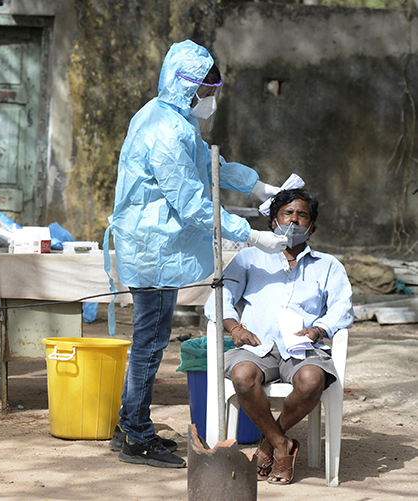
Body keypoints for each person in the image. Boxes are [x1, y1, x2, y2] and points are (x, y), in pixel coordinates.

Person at [106, 40, 289, 468]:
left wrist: (257, 185)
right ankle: (136, 435)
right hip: (152, 249)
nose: (210, 100)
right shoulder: (166, 130)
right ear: (186, 88)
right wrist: (249, 235)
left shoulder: (171, 118)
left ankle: (129, 425)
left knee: (147, 343)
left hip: (157, 248)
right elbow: (190, 203)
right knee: (149, 344)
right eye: (206, 92)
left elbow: (208, 165)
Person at [205, 188, 353, 485]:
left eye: (302, 216)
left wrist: (319, 328)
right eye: (287, 214)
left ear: (312, 226)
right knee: (243, 376)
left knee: (312, 381)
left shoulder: (328, 266)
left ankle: (268, 442)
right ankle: (283, 444)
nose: (294, 222)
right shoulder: (249, 258)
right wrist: (236, 328)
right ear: (273, 221)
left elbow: (343, 309)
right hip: (257, 346)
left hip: (303, 348)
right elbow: (218, 302)